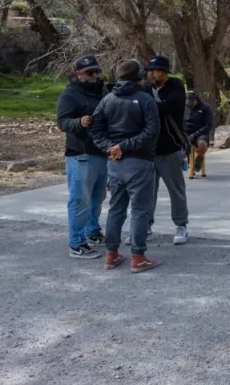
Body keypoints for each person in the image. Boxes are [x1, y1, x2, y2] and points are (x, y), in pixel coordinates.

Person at [89, 59, 161, 273]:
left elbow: (95, 130)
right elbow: (152, 132)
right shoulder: (146, 100)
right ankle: (138, 257)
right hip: (139, 162)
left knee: (116, 208)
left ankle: (111, 254)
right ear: (139, 76)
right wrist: (124, 146)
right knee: (140, 210)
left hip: (115, 163)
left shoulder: (107, 100)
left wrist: (110, 148)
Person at [56, 55, 109, 259]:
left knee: (97, 198)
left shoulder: (103, 91)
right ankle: (76, 243)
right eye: (89, 72)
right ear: (78, 74)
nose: (94, 75)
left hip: (101, 152)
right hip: (80, 154)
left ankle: (92, 231)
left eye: (97, 71)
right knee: (80, 200)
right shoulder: (70, 94)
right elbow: (62, 122)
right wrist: (79, 122)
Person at [144, 55, 190, 245]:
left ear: (164, 72)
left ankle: (181, 225)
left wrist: (146, 106)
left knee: (176, 190)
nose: (151, 74)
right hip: (148, 150)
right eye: (149, 71)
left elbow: (169, 106)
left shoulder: (176, 86)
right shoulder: (145, 89)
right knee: (147, 192)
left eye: (155, 70)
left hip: (170, 148)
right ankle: (144, 226)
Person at [183, 90, 214, 178]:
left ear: (197, 99)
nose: (190, 103)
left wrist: (195, 135)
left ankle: (199, 159)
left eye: (192, 101)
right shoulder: (183, 107)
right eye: (188, 101)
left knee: (202, 144)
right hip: (185, 133)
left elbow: (208, 125)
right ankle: (187, 164)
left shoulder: (205, 108)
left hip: (200, 133)